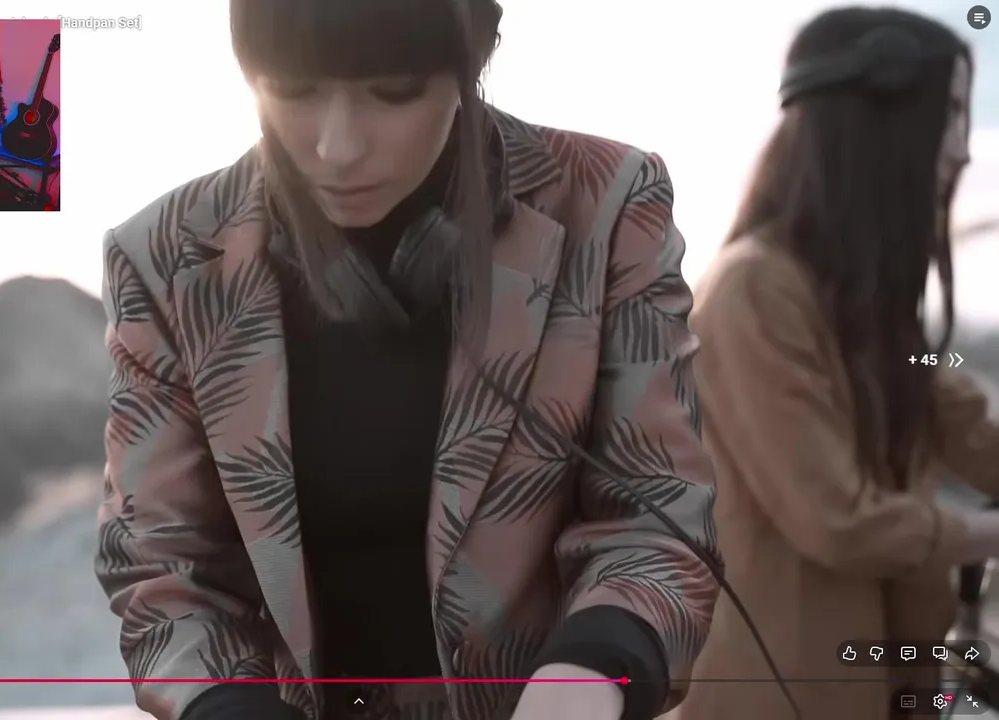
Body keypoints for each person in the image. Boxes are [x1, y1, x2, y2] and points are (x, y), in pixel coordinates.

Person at [95, 1, 722, 719]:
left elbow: (654, 509)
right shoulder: (165, 256)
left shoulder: (605, 203)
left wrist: (588, 677)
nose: (337, 147)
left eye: (392, 92)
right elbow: (164, 567)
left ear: (471, 61)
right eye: (292, 89)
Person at [673, 7, 999, 720]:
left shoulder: (870, 311)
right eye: (948, 114)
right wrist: (984, 533)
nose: (963, 150)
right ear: (873, 126)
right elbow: (837, 518)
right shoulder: (754, 290)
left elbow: (970, 428)